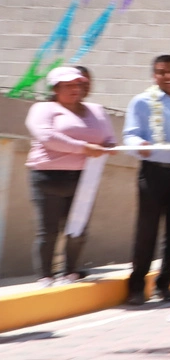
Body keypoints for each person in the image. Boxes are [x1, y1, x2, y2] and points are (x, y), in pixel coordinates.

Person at [25, 67, 114, 287]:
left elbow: (109, 138)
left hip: (85, 177)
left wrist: (109, 147)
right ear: (55, 89)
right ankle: (45, 275)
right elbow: (47, 136)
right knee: (48, 229)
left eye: (77, 84)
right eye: (68, 86)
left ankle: (70, 271)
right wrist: (84, 148)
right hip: (48, 177)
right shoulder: (43, 108)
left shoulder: (96, 110)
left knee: (78, 228)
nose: (75, 89)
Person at [123, 55, 170, 305]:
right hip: (152, 172)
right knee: (146, 231)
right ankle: (137, 286)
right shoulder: (141, 102)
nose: (168, 76)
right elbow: (129, 135)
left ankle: (165, 284)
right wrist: (138, 144)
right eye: (162, 72)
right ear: (154, 75)